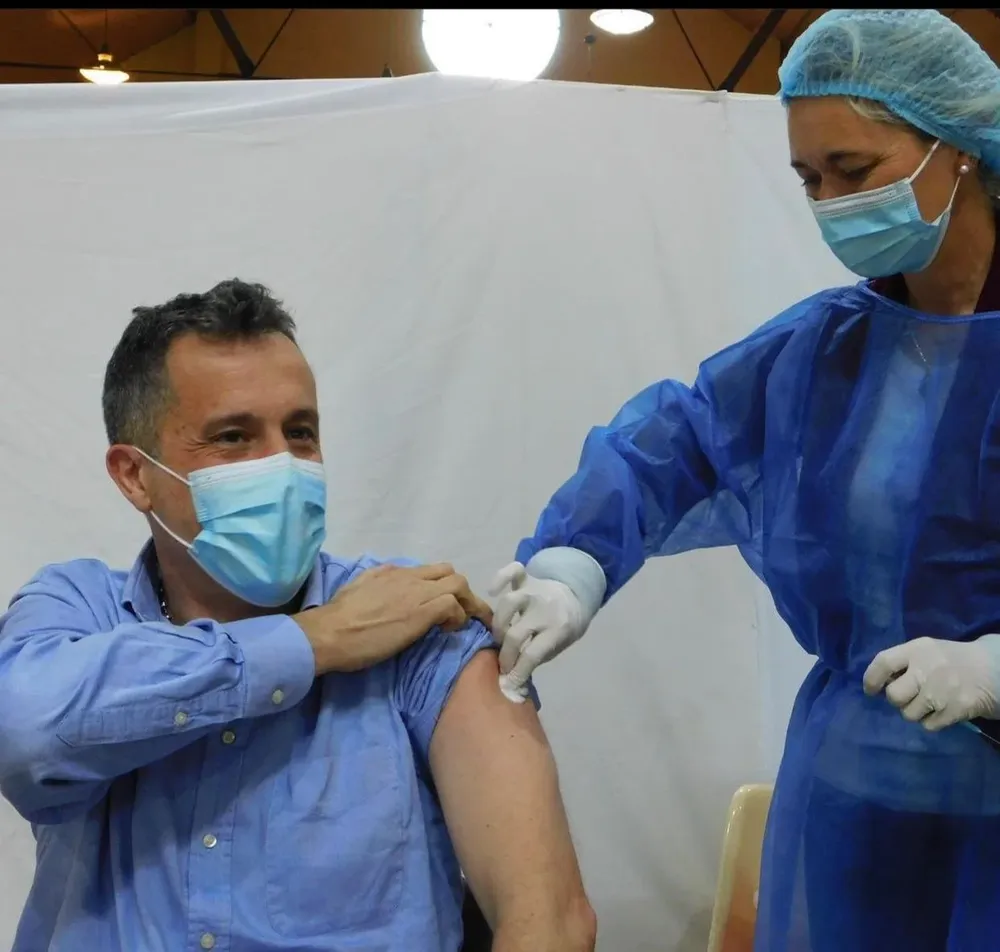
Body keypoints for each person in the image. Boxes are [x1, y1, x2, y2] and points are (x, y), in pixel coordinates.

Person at [490, 9, 1000, 951]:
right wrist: (574, 564)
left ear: (960, 147)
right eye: (809, 179)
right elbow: (679, 436)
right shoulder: (830, 350)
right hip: (851, 805)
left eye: (854, 171)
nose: (830, 203)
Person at [0, 279, 596, 952]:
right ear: (135, 474)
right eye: (233, 437)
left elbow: (549, 920)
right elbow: (24, 733)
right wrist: (314, 641)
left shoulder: (422, 630)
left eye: (301, 432)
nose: (281, 467)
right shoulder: (78, 610)